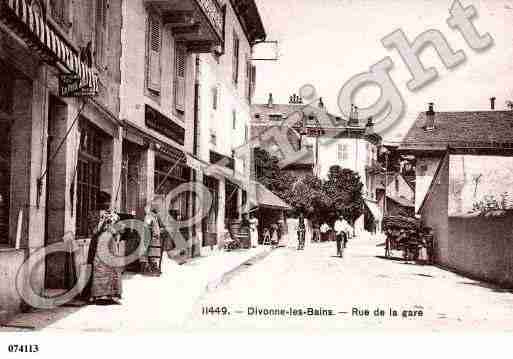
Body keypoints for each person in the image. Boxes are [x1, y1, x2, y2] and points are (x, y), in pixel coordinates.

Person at [84, 191, 122, 305]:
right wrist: (103, 221)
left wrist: (115, 222)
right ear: (99, 203)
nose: (107, 204)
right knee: (99, 267)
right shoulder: (93, 214)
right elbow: (94, 231)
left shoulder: (113, 214)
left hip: (111, 244)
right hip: (98, 244)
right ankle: (97, 294)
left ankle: (111, 294)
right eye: (104, 202)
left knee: (112, 267)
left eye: (108, 202)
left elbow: (118, 230)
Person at [142, 204, 161, 276]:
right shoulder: (149, 217)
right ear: (154, 209)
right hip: (150, 239)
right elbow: (147, 227)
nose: (158, 211)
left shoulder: (154, 217)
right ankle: (147, 268)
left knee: (154, 253)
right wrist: (152, 235)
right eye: (157, 209)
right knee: (149, 253)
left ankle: (153, 267)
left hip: (154, 239)